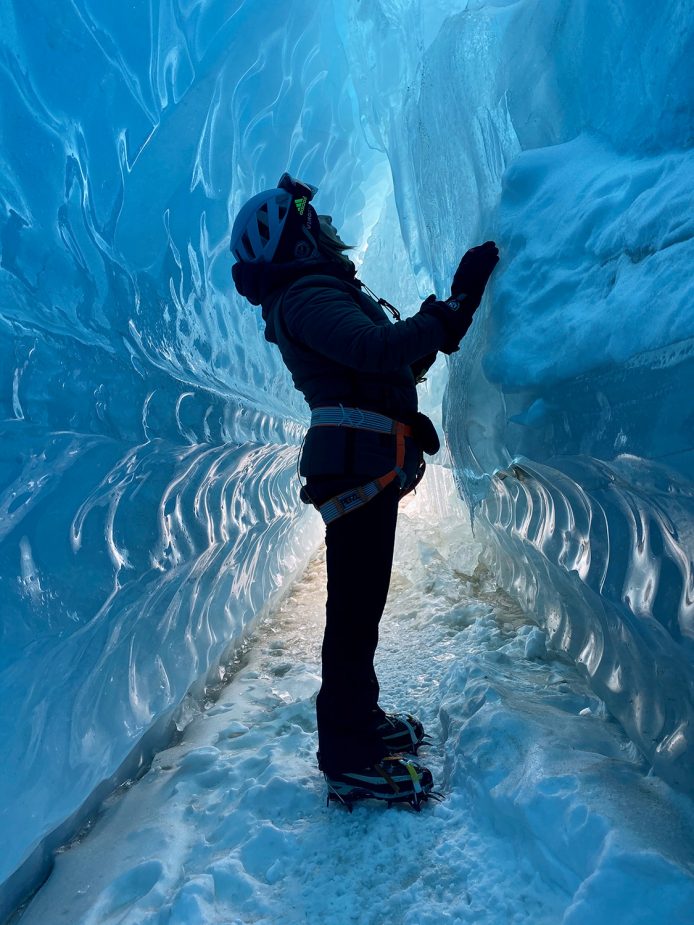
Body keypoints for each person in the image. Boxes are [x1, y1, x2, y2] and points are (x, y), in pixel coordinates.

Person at [230, 173, 498, 809]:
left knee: (359, 607)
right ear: (294, 242)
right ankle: (348, 756)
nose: (324, 228)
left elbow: (387, 364)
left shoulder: (309, 292)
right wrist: (446, 311)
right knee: (354, 612)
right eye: (311, 221)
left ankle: (361, 720)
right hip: (356, 468)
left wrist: (446, 318)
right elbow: (374, 349)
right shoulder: (307, 292)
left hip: (358, 463)